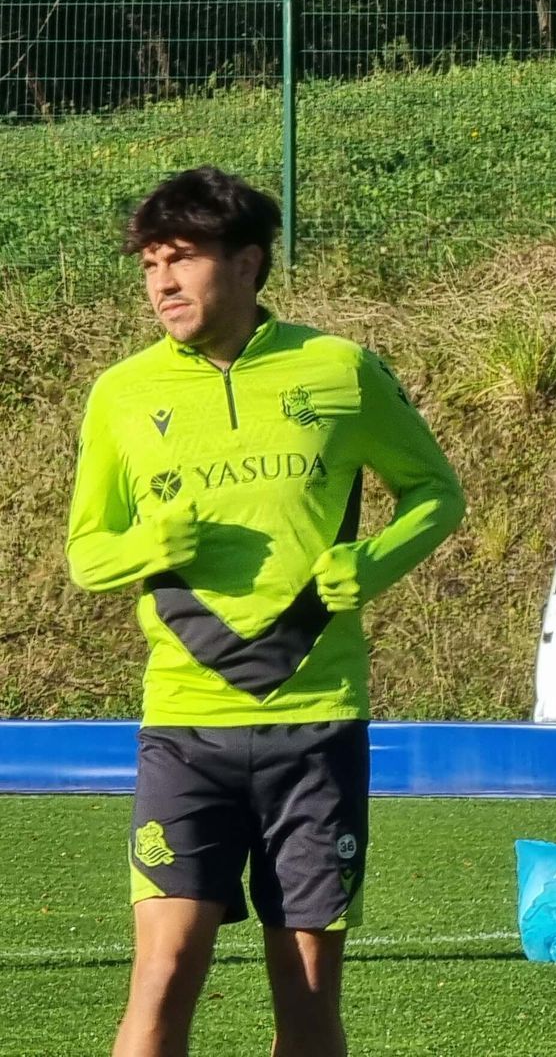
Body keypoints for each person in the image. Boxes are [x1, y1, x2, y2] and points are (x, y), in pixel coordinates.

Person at [66, 166, 466, 1057]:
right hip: (184, 728)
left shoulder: (340, 370)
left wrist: (375, 560)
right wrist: (149, 544)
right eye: (150, 264)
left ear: (247, 263)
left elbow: (436, 493)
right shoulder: (121, 394)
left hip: (315, 725)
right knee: (162, 979)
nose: (162, 283)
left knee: (308, 996)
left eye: (182, 259)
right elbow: (88, 554)